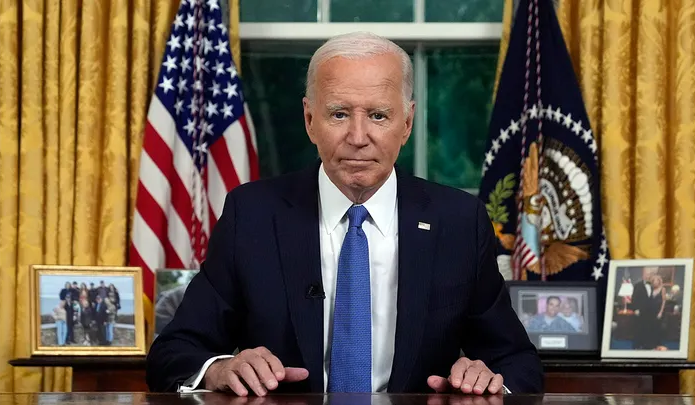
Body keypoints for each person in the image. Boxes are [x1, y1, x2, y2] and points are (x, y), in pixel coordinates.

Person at [146, 31, 543, 396]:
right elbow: (175, 351)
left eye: (378, 116)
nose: (357, 137)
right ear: (309, 120)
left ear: (406, 123)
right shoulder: (252, 215)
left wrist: (489, 380)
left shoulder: (459, 220)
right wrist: (219, 369)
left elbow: (517, 362)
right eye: (338, 114)